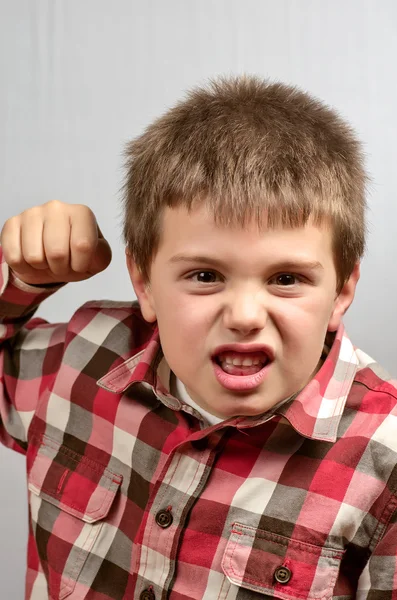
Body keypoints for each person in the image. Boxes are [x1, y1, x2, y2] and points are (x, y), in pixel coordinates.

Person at [0, 76, 396, 600]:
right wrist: (22, 278)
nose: (244, 315)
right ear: (143, 283)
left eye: (286, 279)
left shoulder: (383, 460)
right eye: (206, 276)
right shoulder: (82, 356)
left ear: (342, 291)